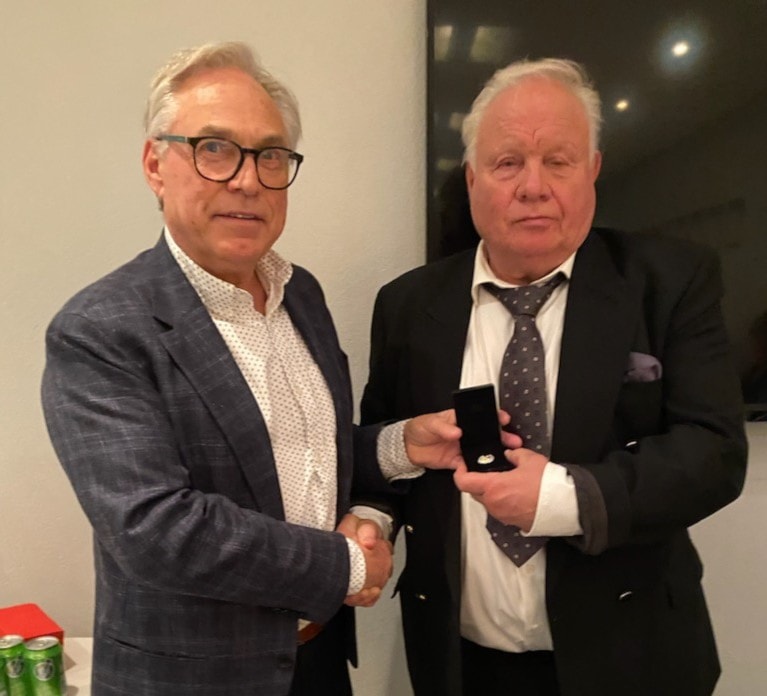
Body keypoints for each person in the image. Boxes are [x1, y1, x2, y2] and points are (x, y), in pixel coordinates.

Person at [41, 41, 457, 696]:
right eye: (214, 148)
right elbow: (154, 528)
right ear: (155, 164)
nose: (247, 180)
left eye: (270, 155)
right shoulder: (100, 328)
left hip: (318, 662)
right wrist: (346, 566)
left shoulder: (302, 295)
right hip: (191, 681)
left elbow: (299, 460)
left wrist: (399, 446)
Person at [360, 58, 748, 696]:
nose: (533, 186)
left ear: (592, 170)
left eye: (558, 161)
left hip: (633, 662)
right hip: (460, 667)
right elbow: (382, 445)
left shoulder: (672, 281)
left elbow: (715, 452)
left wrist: (562, 498)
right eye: (508, 162)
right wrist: (369, 517)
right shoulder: (406, 304)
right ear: (473, 178)